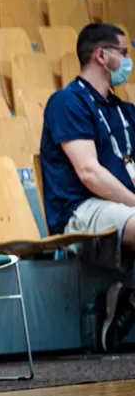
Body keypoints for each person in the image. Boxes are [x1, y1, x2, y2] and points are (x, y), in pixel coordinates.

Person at [41, 23, 135, 352]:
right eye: (123, 53)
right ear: (101, 55)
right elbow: (89, 173)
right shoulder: (66, 102)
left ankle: (127, 299)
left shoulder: (125, 111)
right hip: (82, 208)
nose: (127, 60)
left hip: (121, 204)